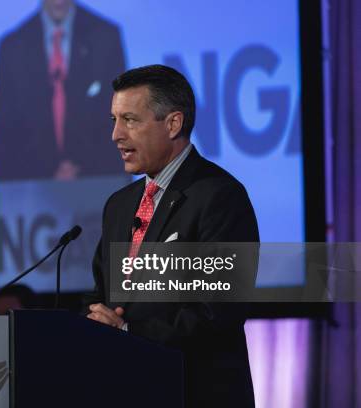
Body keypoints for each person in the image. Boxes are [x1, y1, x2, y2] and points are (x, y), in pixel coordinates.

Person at [84, 65, 259, 407]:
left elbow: (218, 312)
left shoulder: (220, 197)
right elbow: (104, 294)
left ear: (173, 124)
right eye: (114, 120)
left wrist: (128, 334)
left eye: (130, 120)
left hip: (194, 392)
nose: (116, 135)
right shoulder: (119, 206)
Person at [0, 0, 126, 181]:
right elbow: (3, 137)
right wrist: (48, 175)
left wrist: (80, 172)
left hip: (98, 183)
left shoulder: (106, 38)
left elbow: (119, 123)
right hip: (33, 190)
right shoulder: (13, 47)